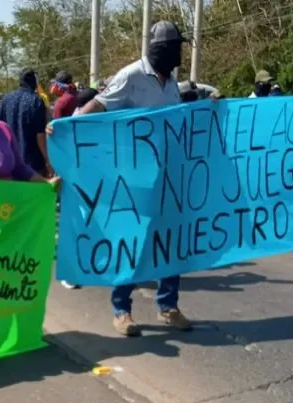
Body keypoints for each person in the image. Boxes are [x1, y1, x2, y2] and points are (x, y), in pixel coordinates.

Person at [60, 20, 191, 336]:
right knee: (131, 241)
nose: (179, 53)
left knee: (169, 241)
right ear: (160, 48)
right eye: (175, 47)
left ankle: (168, 306)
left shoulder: (172, 84)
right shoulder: (131, 76)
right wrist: (69, 130)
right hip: (131, 180)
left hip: (165, 179)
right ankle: (122, 310)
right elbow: (96, 106)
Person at [0, 68, 51, 177]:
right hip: (33, 165)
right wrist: (48, 161)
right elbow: (40, 136)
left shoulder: (6, 99)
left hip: (11, 163)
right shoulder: (36, 101)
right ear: (35, 82)